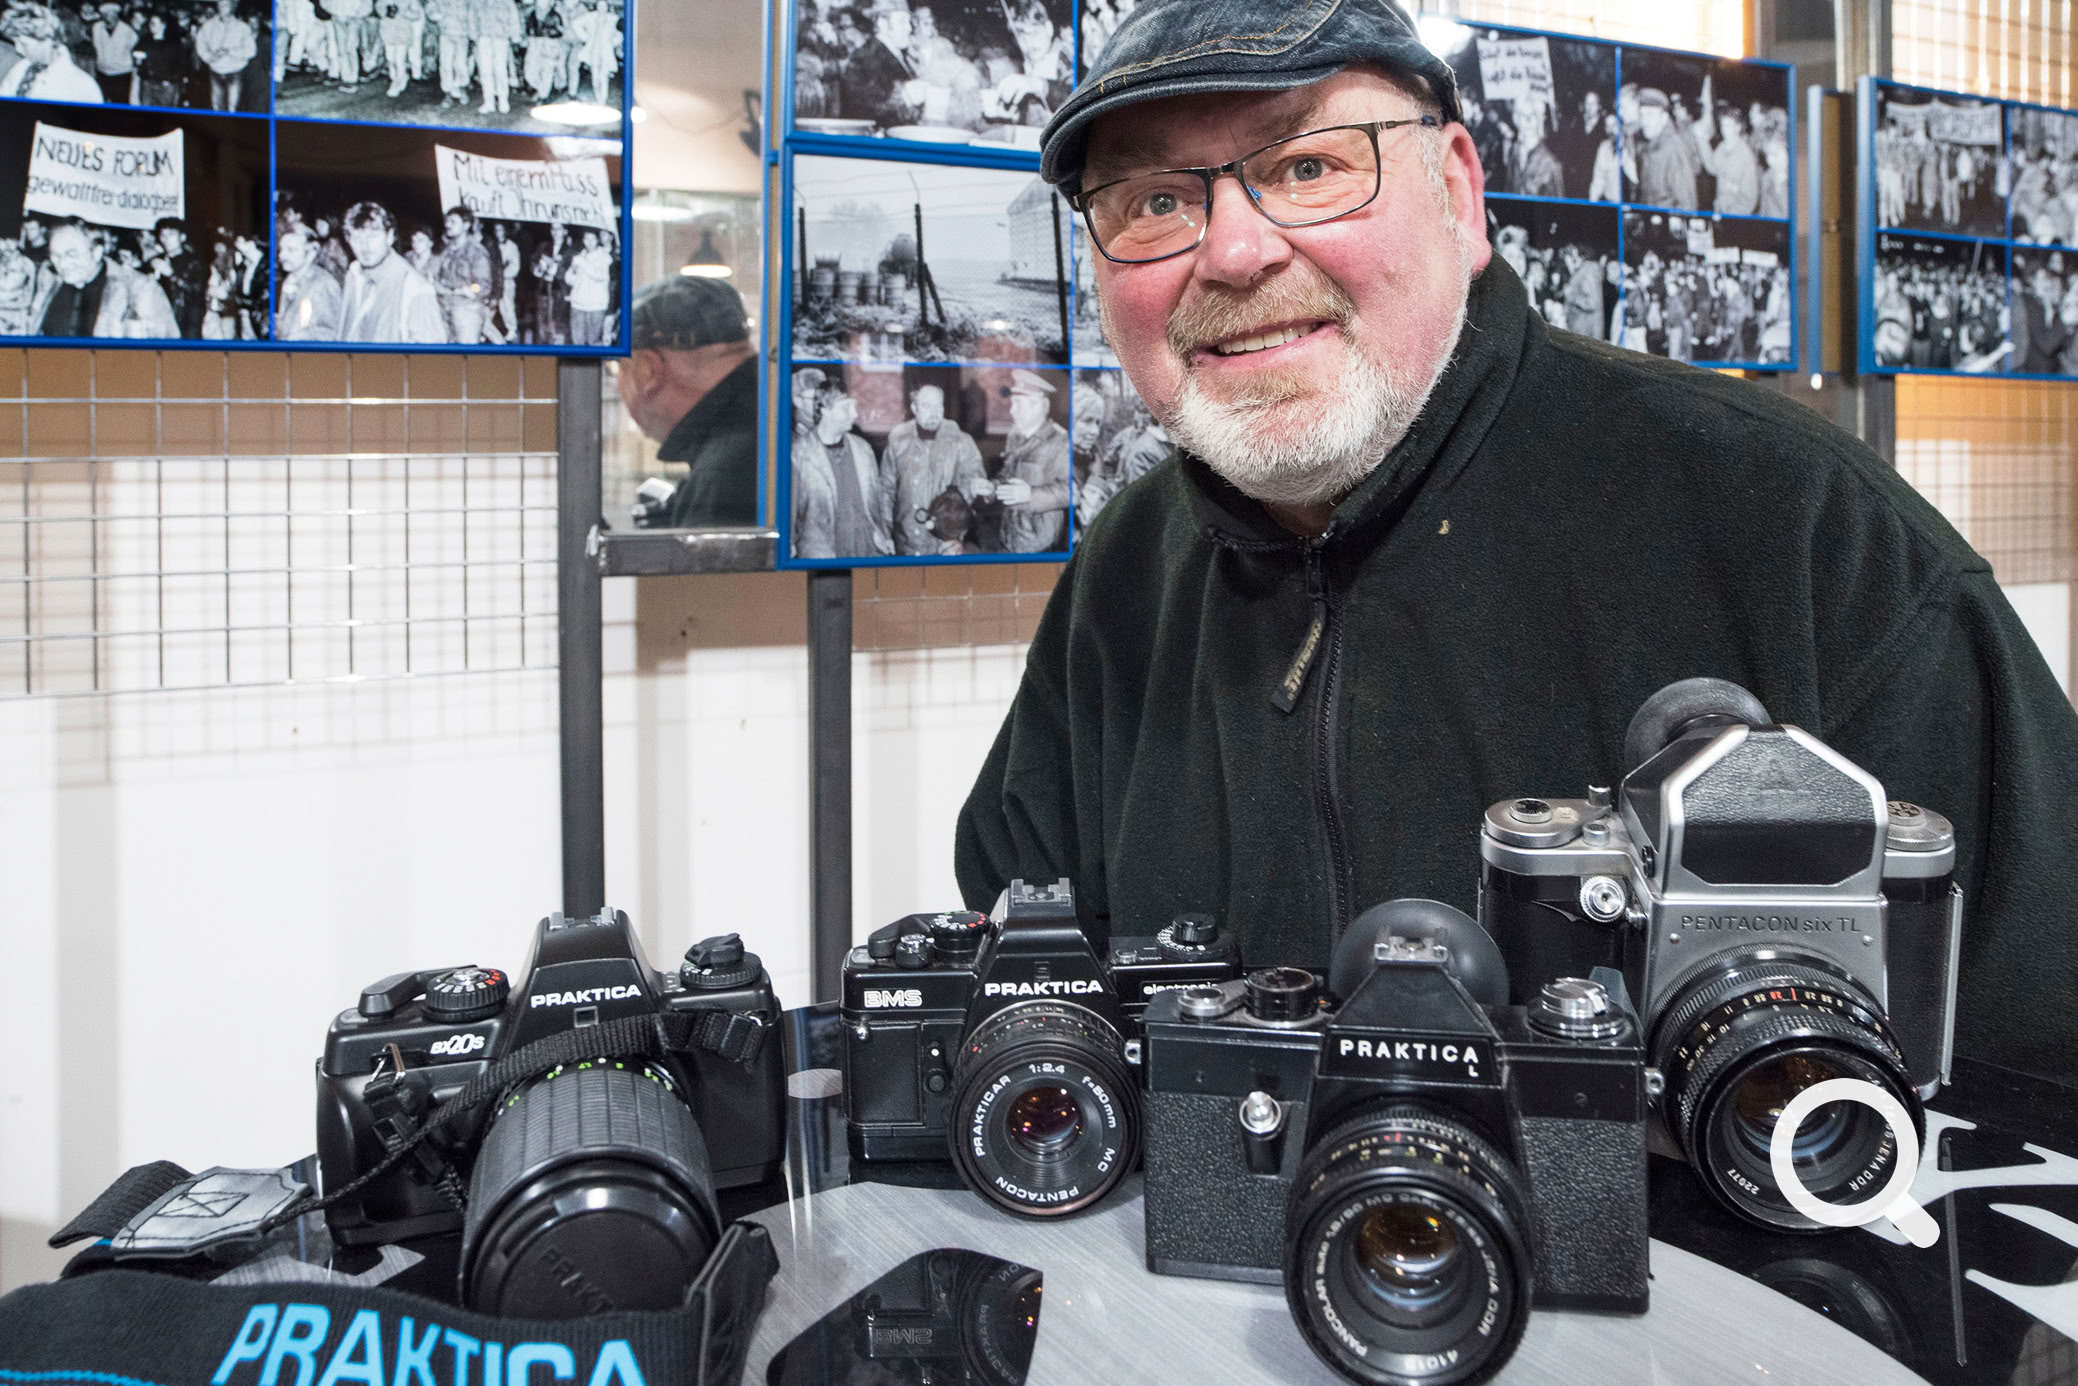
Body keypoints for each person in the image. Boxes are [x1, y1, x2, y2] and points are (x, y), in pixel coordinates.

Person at [956, 0, 2078, 1084]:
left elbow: (2034, 1061)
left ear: (1456, 191)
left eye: (1307, 165)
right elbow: (1028, 985)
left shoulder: (1797, 528)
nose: (1237, 252)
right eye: (1152, 200)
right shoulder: (1126, 571)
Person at [618, 275, 757, 529]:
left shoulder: (721, 478)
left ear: (649, 371)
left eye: (621, 368)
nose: (618, 384)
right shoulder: (770, 414)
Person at [791, 377, 892, 557]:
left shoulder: (864, 449)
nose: (854, 414)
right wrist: (789, 544)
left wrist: (884, 534)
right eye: (846, 407)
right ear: (824, 410)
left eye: (854, 407)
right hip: (822, 555)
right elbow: (790, 511)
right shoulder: (799, 454)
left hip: (866, 550)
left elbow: (877, 501)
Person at [31, 217, 178, 338]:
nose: (62, 264)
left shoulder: (139, 289)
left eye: (71, 254)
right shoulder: (50, 282)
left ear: (97, 252)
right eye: (55, 256)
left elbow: (165, 353)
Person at [884, 383, 984, 556]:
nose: (934, 413)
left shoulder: (961, 441)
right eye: (927, 406)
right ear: (914, 408)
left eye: (939, 405)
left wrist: (957, 531)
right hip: (905, 542)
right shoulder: (898, 440)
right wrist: (885, 533)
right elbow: (885, 490)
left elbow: (975, 484)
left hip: (946, 545)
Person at [337, 200, 445, 342]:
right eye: (357, 238)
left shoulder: (415, 288)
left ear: (389, 237)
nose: (365, 246)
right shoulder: (354, 276)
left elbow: (430, 356)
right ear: (348, 240)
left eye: (373, 236)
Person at [992, 369, 1070, 552]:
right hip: (1009, 539)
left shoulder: (1060, 441)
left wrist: (1030, 495)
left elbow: (1073, 490)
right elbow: (1007, 474)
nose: (1011, 411)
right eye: (1012, 403)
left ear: (1041, 406)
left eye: (1019, 404)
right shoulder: (1015, 436)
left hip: (1040, 545)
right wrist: (992, 486)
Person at [841, 0, 920, 130]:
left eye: (909, 21)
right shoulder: (864, 58)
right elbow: (861, 110)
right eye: (902, 22)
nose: (909, 28)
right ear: (882, 23)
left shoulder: (900, 55)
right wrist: (904, 98)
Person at [0, 4, 103, 101]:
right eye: (16, 43)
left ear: (48, 40)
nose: (18, 49)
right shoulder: (19, 69)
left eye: (24, 44)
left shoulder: (82, 85)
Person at [148, 217, 204, 338]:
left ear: (182, 237)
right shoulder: (157, 260)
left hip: (186, 320)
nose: (166, 239)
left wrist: (171, 275)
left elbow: (198, 291)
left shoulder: (194, 262)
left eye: (171, 235)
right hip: (161, 318)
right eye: (163, 235)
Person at [193, 0, 253, 108]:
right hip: (215, 72)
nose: (222, 7)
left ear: (233, 6)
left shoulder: (242, 27)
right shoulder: (208, 26)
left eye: (226, 4)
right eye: (220, 4)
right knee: (216, 107)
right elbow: (200, 44)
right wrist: (208, 57)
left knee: (232, 108)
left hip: (235, 73)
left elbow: (251, 51)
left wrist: (229, 51)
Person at [87, 0, 132, 101]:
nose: (109, 18)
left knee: (120, 104)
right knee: (100, 101)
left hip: (121, 74)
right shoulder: (97, 27)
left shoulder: (127, 30)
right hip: (102, 72)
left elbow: (134, 48)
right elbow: (95, 45)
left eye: (112, 14)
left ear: (117, 15)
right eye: (106, 14)